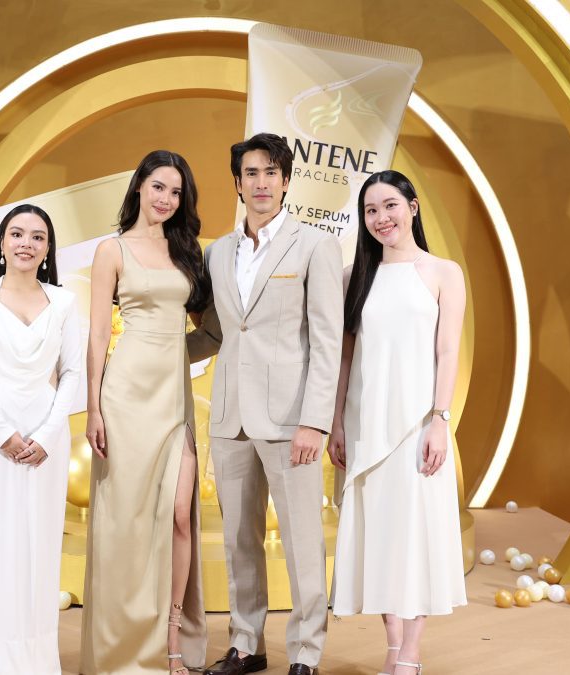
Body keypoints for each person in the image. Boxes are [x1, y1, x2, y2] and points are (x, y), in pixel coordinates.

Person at [188, 133, 343, 675]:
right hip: (230, 416)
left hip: (290, 419)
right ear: (237, 182)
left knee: (302, 540)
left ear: (286, 180)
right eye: (251, 173)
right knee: (239, 541)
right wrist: (149, 351)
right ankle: (245, 644)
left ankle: (306, 652)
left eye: (270, 172)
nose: (260, 182)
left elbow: (326, 340)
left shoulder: (315, 245)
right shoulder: (218, 252)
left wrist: (314, 422)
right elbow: (215, 333)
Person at [329, 170, 468, 675]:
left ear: (412, 206)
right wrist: (337, 423)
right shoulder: (354, 276)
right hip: (366, 424)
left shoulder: (443, 272)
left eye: (390, 205)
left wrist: (440, 420)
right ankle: (392, 647)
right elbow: (345, 358)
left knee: (414, 536)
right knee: (380, 537)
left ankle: (411, 652)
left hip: (416, 426)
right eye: (370, 210)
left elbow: (448, 352)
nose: (381, 218)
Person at [81, 150, 211, 674]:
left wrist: (177, 352)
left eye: (176, 192)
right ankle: (120, 646)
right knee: (126, 523)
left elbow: (211, 328)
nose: (166, 199)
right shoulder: (110, 250)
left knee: (179, 515)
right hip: (124, 397)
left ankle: (171, 639)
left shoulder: (187, 251)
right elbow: (97, 335)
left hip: (173, 398)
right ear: (139, 186)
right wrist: (93, 407)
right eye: (159, 186)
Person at [0, 204, 82, 674]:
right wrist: (3, 434)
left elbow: (72, 373)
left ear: (48, 249)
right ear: (3, 244)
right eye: (17, 234)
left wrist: (47, 435)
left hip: (48, 437)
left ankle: (37, 661)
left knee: (40, 546)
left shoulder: (65, 302)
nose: (27, 243)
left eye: (38, 236)